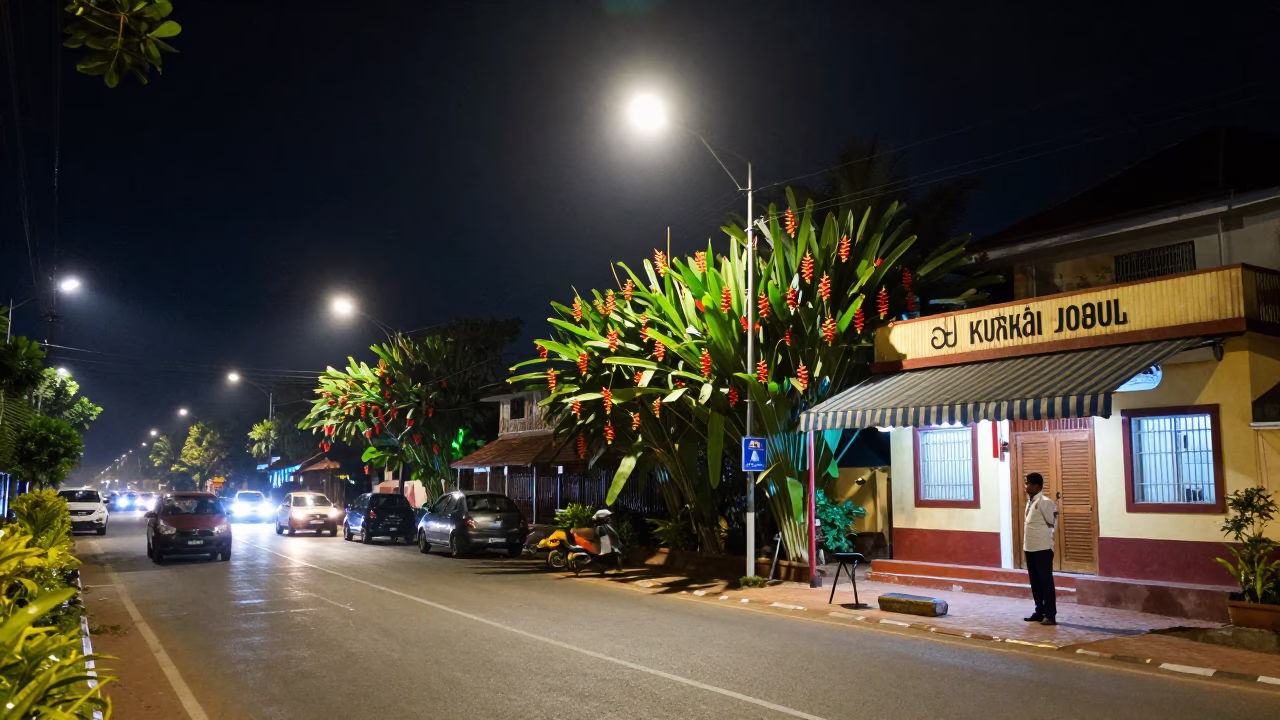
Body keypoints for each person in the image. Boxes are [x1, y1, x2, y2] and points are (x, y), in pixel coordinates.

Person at [1023, 472, 1058, 626]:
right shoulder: (1030, 502)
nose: (1026, 486)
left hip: (1042, 548)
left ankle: (1050, 615)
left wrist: (1046, 538)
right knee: (1035, 582)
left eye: (1028, 483)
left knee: (1046, 581)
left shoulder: (1045, 502)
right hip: (1030, 547)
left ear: (1037, 486)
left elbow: (1052, 522)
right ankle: (1039, 611)